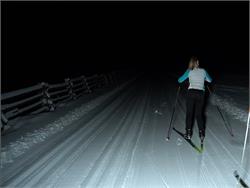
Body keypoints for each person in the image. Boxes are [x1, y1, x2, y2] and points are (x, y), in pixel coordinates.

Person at [178, 56, 212, 141]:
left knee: (189, 113)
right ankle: (201, 133)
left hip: (191, 93)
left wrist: (188, 79)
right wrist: (203, 79)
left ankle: (188, 133)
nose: (198, 63)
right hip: (200, 94)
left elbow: (180, 80)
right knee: (199, 114)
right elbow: (210, 80)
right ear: (197, 62)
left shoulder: (189, 71)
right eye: (198, 61)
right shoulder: (203, 71)